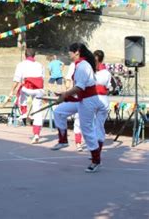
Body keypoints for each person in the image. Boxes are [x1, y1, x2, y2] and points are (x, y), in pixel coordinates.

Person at [57, 43, 109, 173]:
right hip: (84, 99)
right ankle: (63, 140)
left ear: (77, 52)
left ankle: (96, 160)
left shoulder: (83, 66)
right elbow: (79, 88)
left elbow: (80, 87)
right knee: (58, 111)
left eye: (70, 52)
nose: (69, 54)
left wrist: (65, 94)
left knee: (87, 130)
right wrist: (65, 95)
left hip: (88, 100)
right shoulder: (80, 65)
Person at [9, 48, 45, 144]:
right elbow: (42, 78)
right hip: (39, 90)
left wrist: (11, 91)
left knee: (20, 92)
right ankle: (36, 134)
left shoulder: (21, 65)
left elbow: (17, 80)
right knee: (38, 112)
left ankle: (24, 112)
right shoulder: (40, 65)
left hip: (28, 89)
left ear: (25, 55)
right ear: (34, 56)